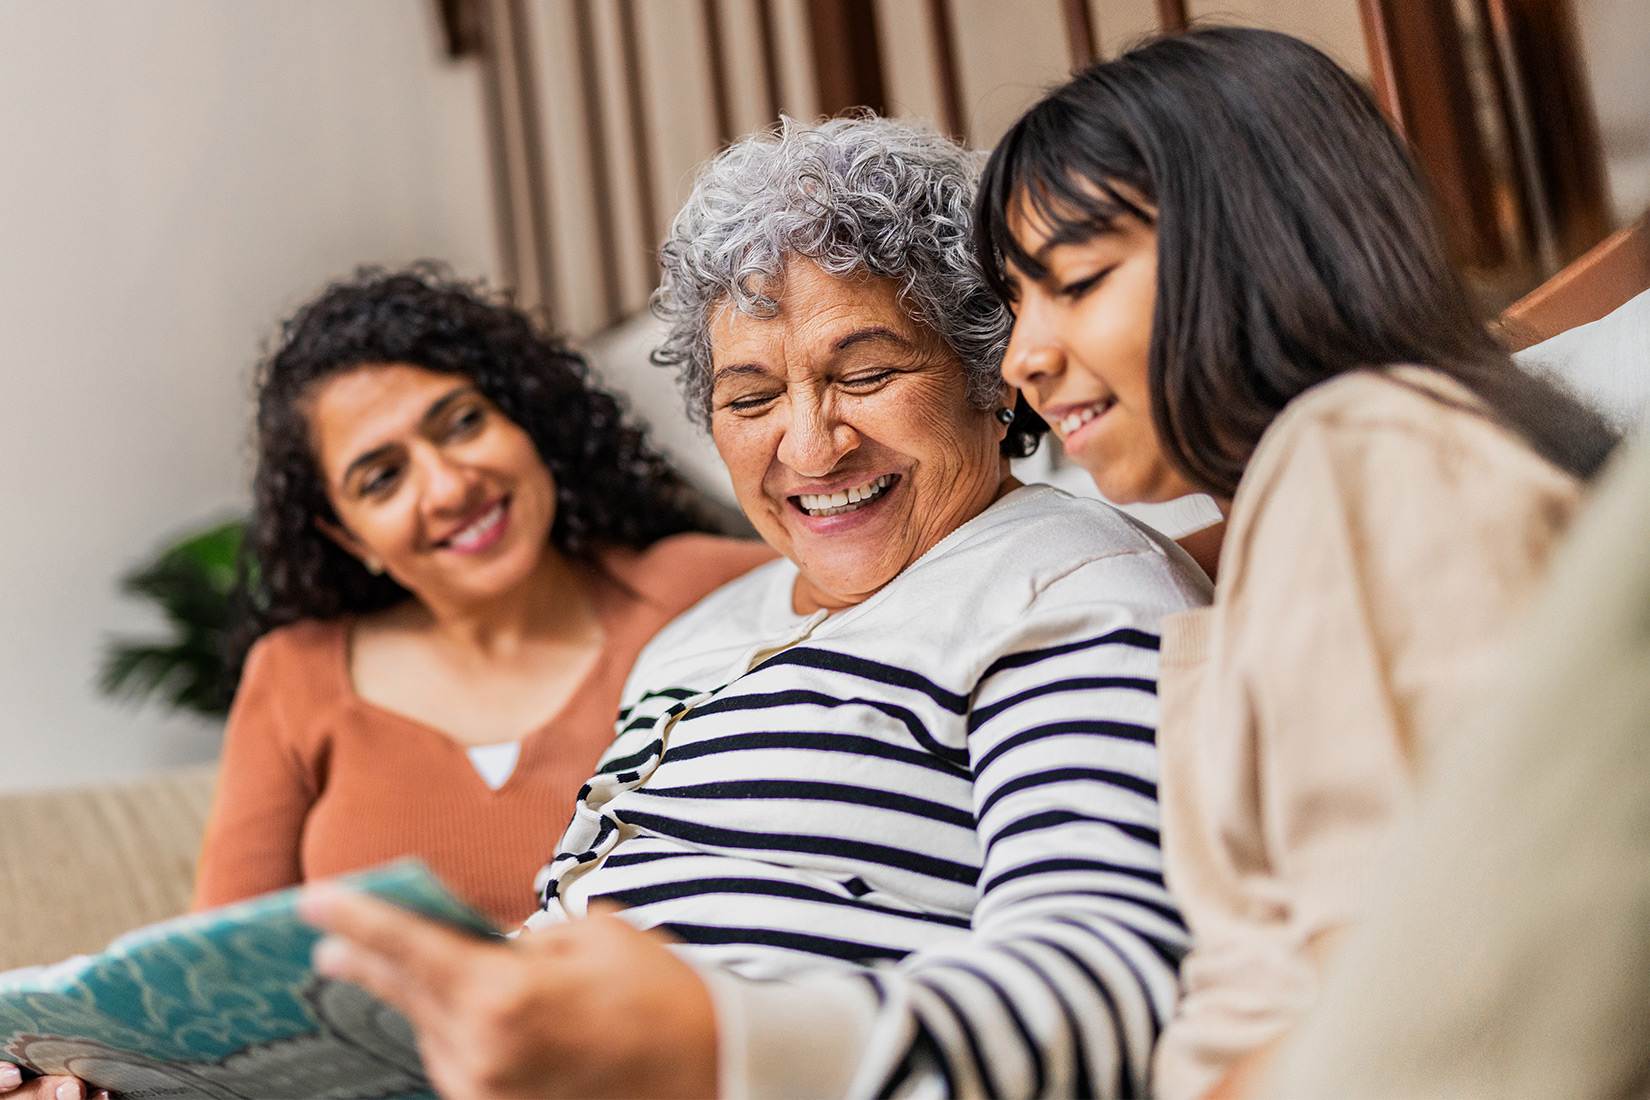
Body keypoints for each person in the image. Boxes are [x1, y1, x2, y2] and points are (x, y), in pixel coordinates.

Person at [276, 115, 1215, 1100]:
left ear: (989, 374)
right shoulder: (700, 635)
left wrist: (719, 1039)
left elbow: (1105, 992)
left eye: (866, 373)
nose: (811, 448)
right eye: (753, 395)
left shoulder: (1063, 584)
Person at [971, 26, 1619, 1100]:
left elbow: (1409, 1005)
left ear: (1255, 245)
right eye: (1014, 300)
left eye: (1076, 280)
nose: (1022, 357)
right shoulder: (1336, 486)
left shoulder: (1353, 457)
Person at [189, 267, 776, 928]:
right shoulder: (293, 677)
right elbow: (214, 980)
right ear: (350, 537)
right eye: (383, 478)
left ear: (525, 418)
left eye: (463, 423)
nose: (446, 487)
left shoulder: (703, 590)